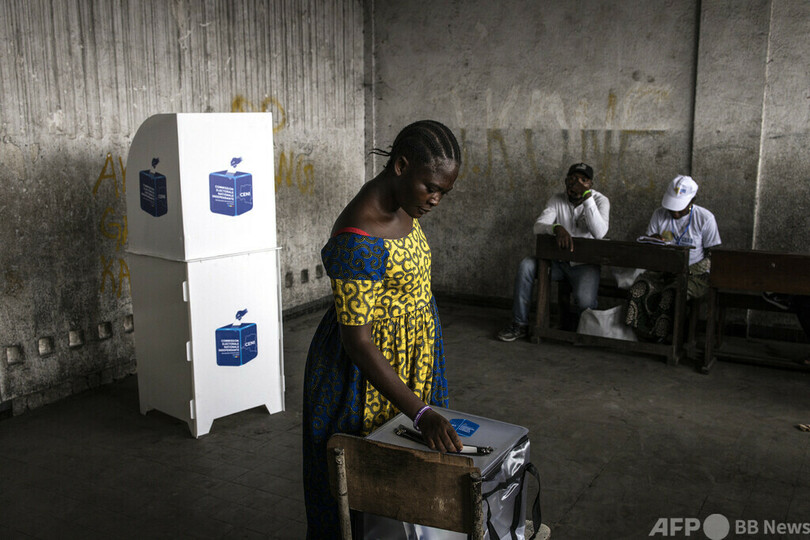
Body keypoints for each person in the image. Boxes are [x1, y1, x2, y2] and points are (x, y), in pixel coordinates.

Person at [302, 120, 465, 538]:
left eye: (444, 191)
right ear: (401, 165)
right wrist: (421, 411)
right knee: (362, 492)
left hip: (411, 362)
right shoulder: (360, 236)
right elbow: (357, 341)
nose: (436, 200)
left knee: (406, 492)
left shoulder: (402, 205)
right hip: (364, 380)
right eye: (430, 187)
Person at [497, 162, 610, 341]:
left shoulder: (600, 200)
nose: (577, 183)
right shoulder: (557, 199)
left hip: (584, 266)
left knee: (585, 302)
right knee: (526, 265)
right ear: (565, 181)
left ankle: (577, 324)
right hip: (558, 263)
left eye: (583, 180)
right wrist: (556, 228)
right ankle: (519, 324)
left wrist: (586, 197)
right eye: (573, 179)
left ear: (591, 184)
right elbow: (538, 226)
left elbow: (600, 233)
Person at [626, 175, 721, 341]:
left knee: (671, 295)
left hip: (694, 275)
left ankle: (664, 338)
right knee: (638, 290)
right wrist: (653, 241)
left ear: (692, 201)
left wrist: (690, 270)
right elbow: (648, 248)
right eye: (672, 208)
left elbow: (713, 255)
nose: (675, 213)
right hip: (662, 270)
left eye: (680, 208)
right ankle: (640, 335)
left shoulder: (705, 218)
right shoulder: (659, 214)